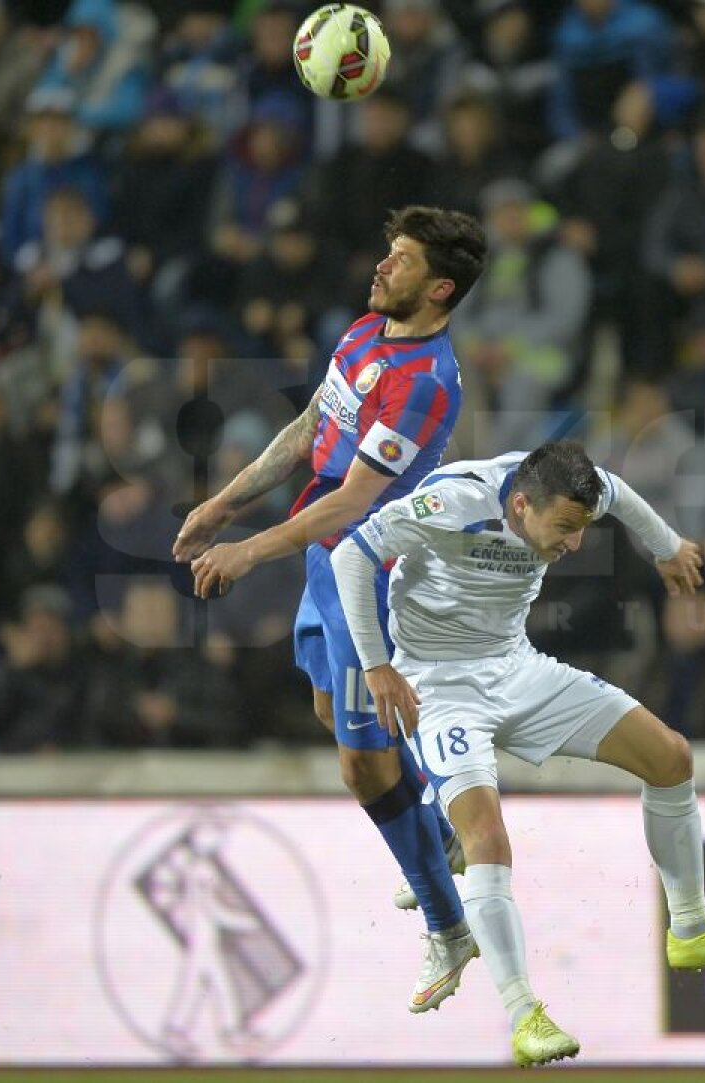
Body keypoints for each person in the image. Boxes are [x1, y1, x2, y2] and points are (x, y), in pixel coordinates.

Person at [331, 441, 705, 1067]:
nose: (574, 543)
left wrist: (667, 546)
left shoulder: (574, 485)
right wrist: (378, 667)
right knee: (486, 836)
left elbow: (619, 493)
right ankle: (524, 1016)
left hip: (517, 668)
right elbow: (351, 555)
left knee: (671, 757)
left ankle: (690, 928)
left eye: (582, 528)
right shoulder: (455, 500)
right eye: (566, 527)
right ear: (520, 504)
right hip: (439, 686)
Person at [171, 205, 488, 1013]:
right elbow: (311, 422)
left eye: (402, 259)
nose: (382, 265)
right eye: (389, 251)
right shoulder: (365, 332)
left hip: (371, 576)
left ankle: (450, 925)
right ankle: (440, 828)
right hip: (325, 560)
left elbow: (351, 501)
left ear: (440, 288)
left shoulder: (424, 384)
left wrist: (248, 549)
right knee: (327, 709)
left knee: (362, 763)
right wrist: (223, 503)